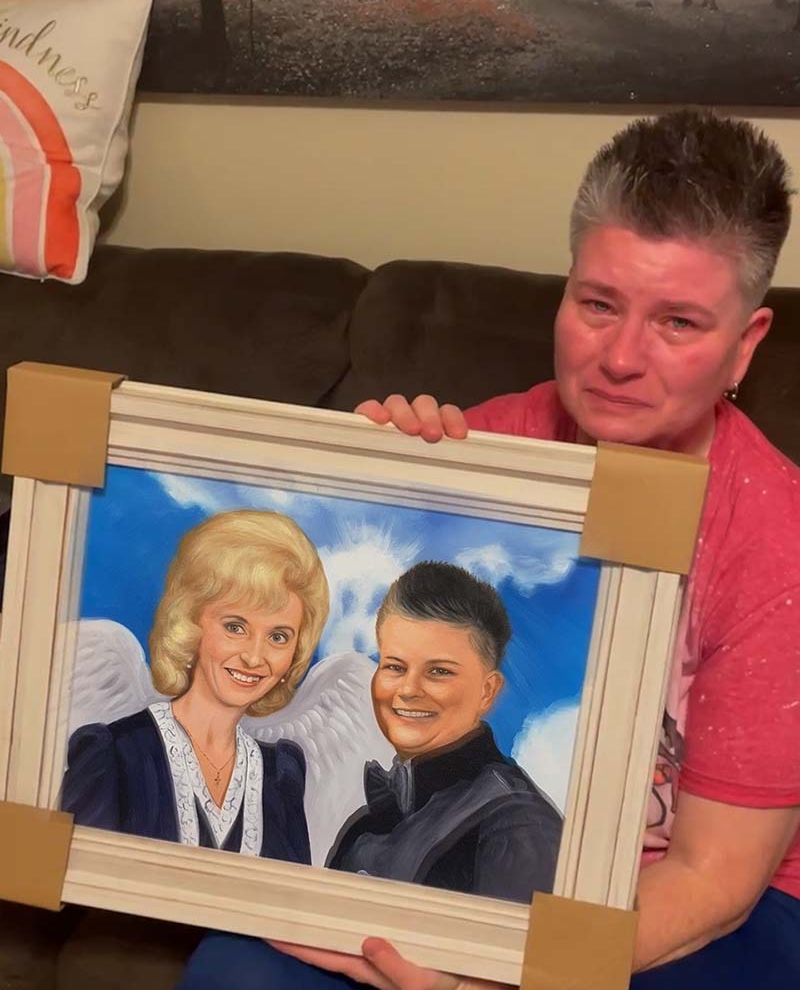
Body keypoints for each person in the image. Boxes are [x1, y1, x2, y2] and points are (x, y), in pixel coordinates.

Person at [178, 110, 800, 989]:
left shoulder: (777, 541)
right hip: (473, 859)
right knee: (234, 976)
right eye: (598, 305)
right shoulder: (486, 457)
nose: (621, 358)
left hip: (693, 888)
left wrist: (492, 975)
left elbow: (715, 881)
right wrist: (362, 485)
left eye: (678, 324)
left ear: (746, 344)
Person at [62, 509, 329, 864]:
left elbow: (294, 907)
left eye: (278, 636)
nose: (254, 656)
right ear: (190, 623)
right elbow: (70, 884)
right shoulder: (114, 753)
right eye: (235, 627)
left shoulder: (281, 774)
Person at [327, 561, 562, 903]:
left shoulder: (518, 828)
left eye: (438, 671)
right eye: (394, 666)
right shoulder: (369, 821)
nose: (408, 689)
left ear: (487, 691)